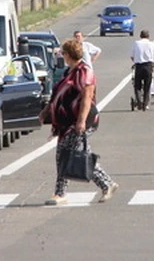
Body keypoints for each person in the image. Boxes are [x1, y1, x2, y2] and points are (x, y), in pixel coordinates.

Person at [40, 38, 118, 206]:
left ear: (68, 54)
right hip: (67, 122)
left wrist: (81, 122)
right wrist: (47, 111)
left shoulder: (85, 72)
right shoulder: (70, 71)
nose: (61, 55)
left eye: (63, 53)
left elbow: (87, 99)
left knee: (65, 154)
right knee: (79, 155)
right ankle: (107, 184)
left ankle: (60, 194)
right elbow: (58, 94)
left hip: (82, 120)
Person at [130, 29, 154, 111]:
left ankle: (139, 102)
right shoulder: (151, 44)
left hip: (139, 66)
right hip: (148, 66)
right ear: (148, 36)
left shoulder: (136, 43)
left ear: (140, 36)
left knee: (137, 85)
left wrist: (136, 61)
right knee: (147, 86)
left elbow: (132, 56)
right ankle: (145, 104)